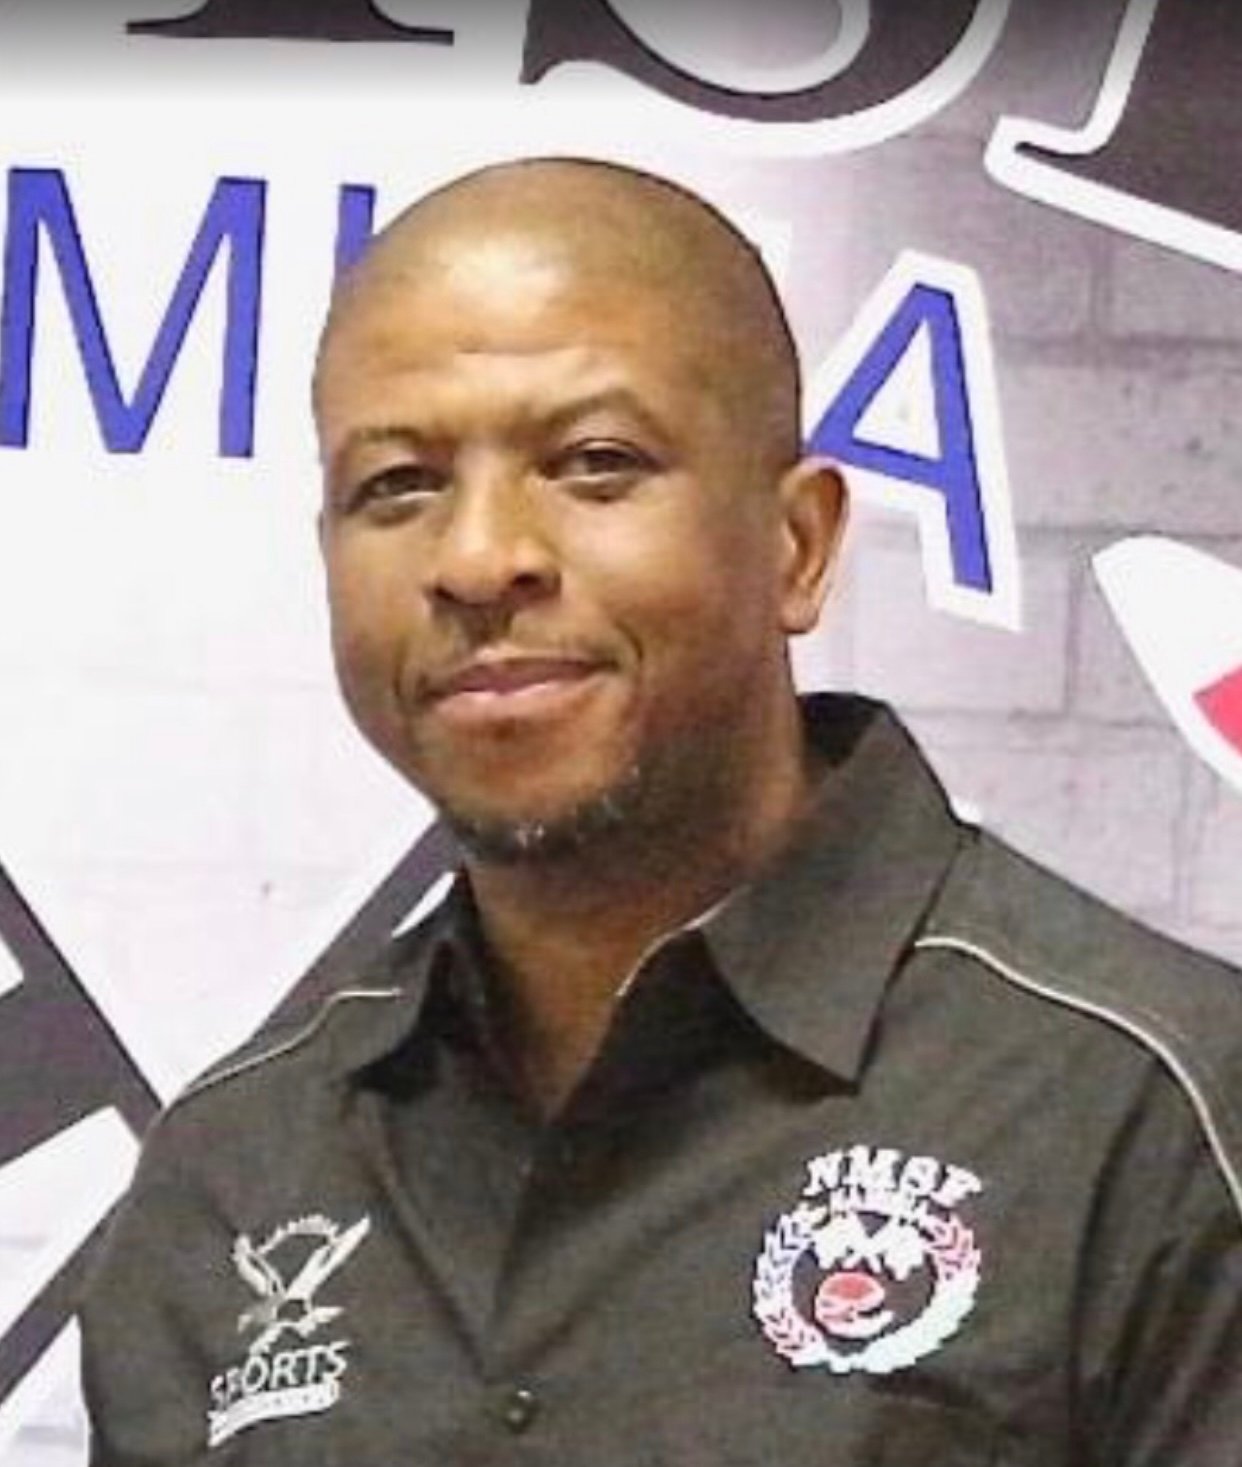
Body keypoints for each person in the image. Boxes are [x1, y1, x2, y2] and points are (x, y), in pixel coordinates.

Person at [80, 157, 1242, 1465]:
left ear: (796, 545)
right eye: (397, 485)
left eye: (592, 462)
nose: (477, 558)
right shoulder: (235, 1173)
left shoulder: (1150, 1120)